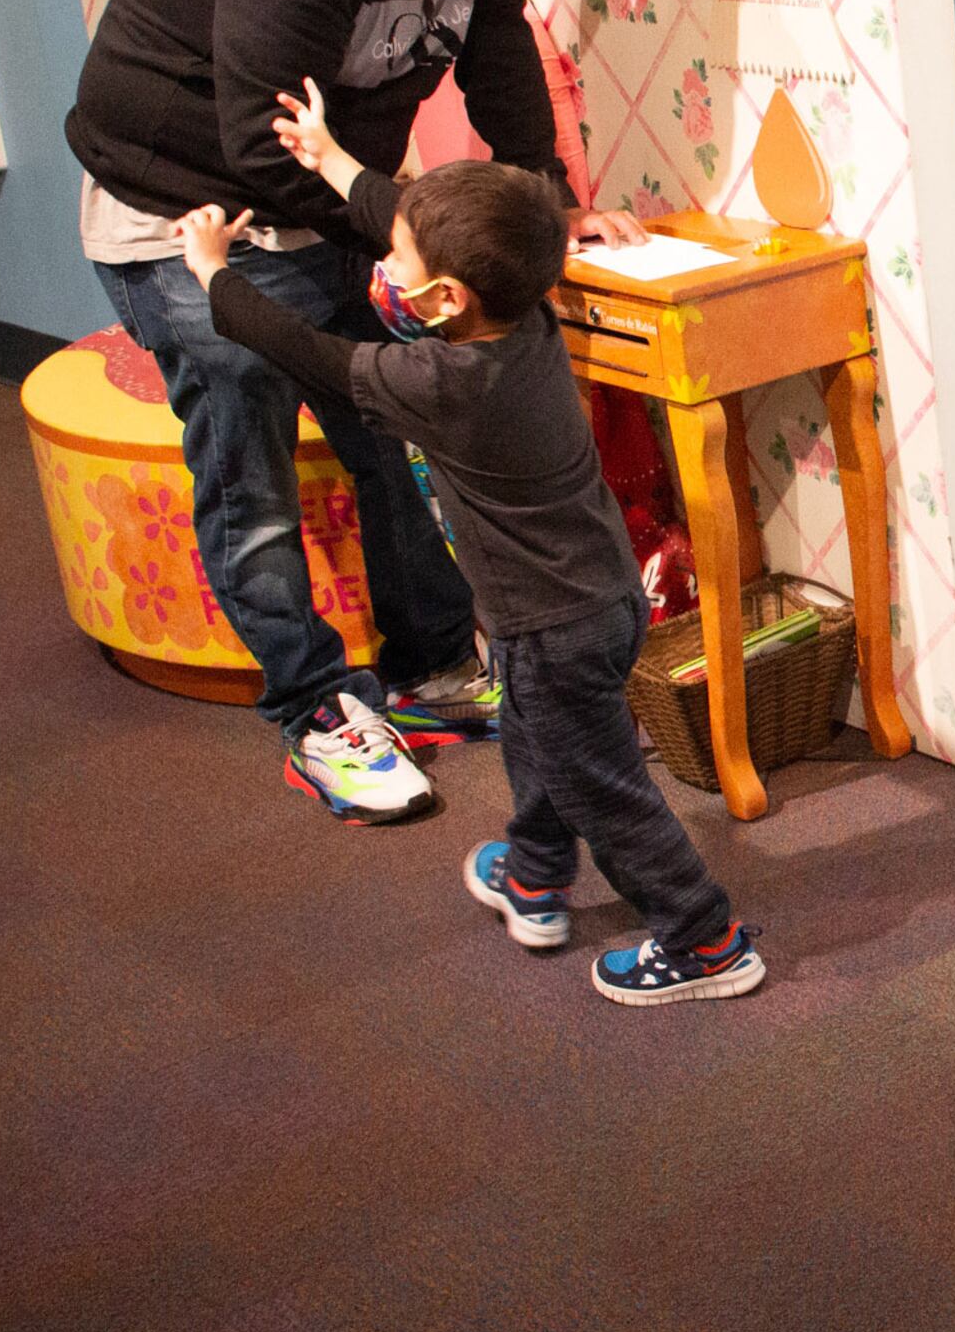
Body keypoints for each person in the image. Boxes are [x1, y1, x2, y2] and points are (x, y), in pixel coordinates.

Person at [65, 0, 618, 823]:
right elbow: (261, 146)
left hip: (330, 194)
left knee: (406, 408)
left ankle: (430, 660)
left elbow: (498, 51)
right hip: (186, 206)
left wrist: (543, 201)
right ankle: (315, 706)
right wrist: (409, 228)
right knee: (244, 399)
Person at [173, 107, 767, 1007]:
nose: (382, 268)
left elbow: (306, 351)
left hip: (552, 625)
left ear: (448, 298)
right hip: (583, 606)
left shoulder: (440, 382)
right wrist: (333, 159)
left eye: (396, 264)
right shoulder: (522, 319)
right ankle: (534, 877)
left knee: (602, 788)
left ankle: (703, 938)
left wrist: (215, 275)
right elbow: (404, 209)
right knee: (538, 742)